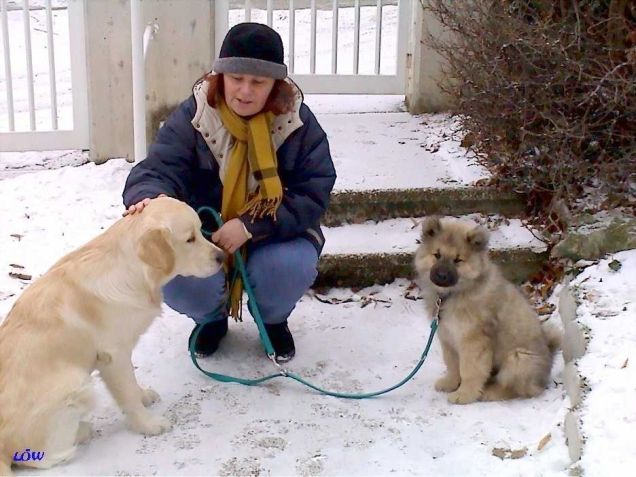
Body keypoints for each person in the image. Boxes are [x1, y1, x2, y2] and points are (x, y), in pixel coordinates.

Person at [122, 23, 336, 363]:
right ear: (219, 76)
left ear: (275, 85)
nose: (245, 91)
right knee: (171, 270)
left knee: (288, 267)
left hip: (276, 234)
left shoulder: (297, 123)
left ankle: (273, 319)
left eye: (258, 82)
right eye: (236, 78)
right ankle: (211, 318)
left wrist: (251, 224)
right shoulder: (194, 116)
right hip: (207, 235)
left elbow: (313, 189)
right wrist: (152, 199)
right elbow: (157, 170)